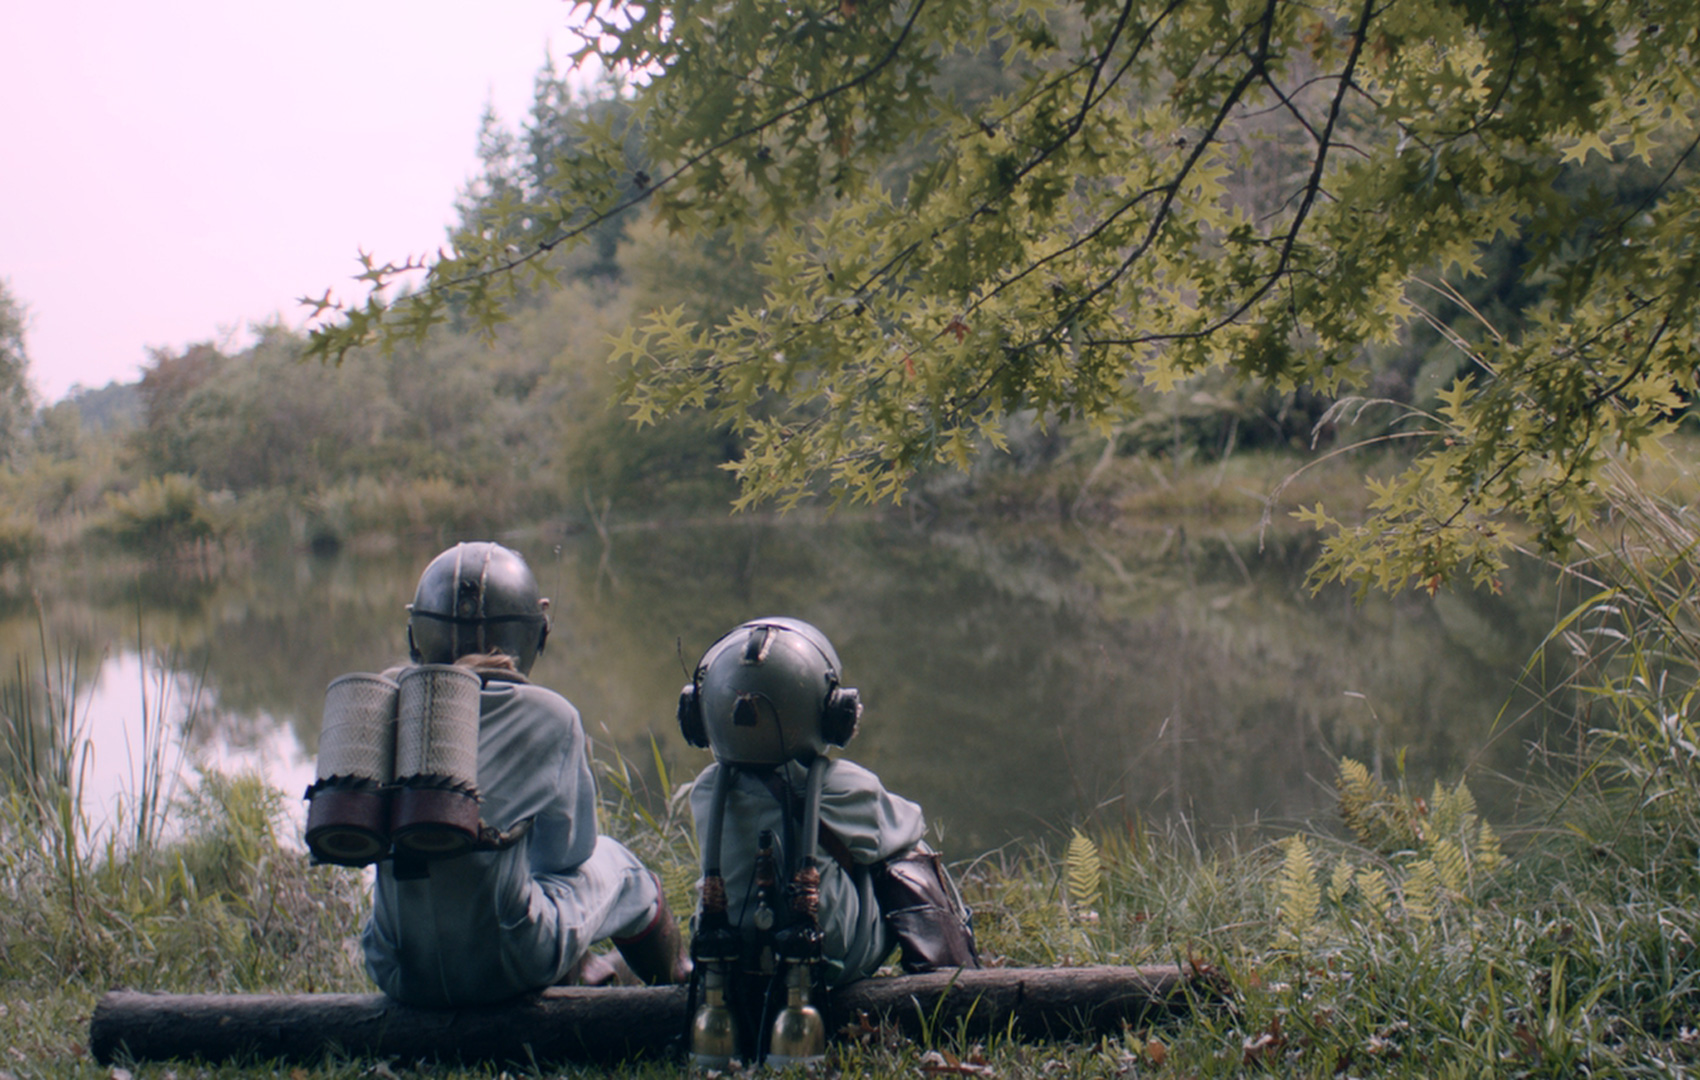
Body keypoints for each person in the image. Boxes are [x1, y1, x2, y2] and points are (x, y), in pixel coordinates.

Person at [361, 541, 687, 1007]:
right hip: (504, 965)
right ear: (535, 633)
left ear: (418, 636)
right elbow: (567, 854)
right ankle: (678, 992)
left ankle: (585, 971)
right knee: (620, 869)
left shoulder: (383, 704)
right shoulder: (549, 715)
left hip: (396, 967)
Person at [678, 617, 977, 992]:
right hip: (828, 957)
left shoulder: (705, 790)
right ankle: (955, 967)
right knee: (908, 853)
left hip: (729, 955)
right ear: (831, 713)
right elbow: (908, 826)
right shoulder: (844, 787)